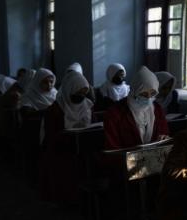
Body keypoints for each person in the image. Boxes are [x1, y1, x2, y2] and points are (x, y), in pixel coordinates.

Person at [39, 71, 94, 204]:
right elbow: (52, 136)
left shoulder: (87, 105)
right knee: (66, 165)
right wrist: (70, 138)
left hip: (82, 145)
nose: (81, 96)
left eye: (84, 92)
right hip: (61, 149)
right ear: (70, 89)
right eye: (78, 92)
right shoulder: (55, 109)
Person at [103, 66, 168, 149]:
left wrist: (164, 139)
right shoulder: (115, 113)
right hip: (125, 160)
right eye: (143, 94)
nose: (148, 98)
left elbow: (164, 133)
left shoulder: (157, 109)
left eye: (152, 94)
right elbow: (112, 147)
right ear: (134, 91)